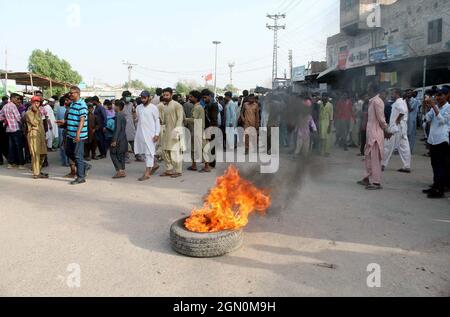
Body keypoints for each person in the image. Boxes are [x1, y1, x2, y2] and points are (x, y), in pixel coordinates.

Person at [358, 84, 392, 190]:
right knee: (368, 157)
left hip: (376, 134)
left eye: (368, 88)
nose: (367, 90)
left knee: (375, 159)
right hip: (370, 133)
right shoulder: (372, 101)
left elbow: (381, 119)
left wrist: (387, 130)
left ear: (372, 89)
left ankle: (376, 182)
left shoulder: (377, 101)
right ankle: (366, 178)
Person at [422, 88, 450, 199]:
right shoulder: (436, 107)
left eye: (440, 95)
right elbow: (427, 119)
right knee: (434, 165)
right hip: (433, 139)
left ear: (447, 95)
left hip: (442, 139)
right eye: (437, 95)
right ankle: (435, 186)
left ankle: (440, 190)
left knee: (441, 166)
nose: (438, 97)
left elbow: (443, 121)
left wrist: (434, 106)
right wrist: (426, 108)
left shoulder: (448, 107)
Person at [65, 86, 92, 185]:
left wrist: (78, 134)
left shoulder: (82, 105)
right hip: (70, 134)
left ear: (78, 93)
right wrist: (64, 122)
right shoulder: (72, 104)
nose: (70, 94)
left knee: (78, 155)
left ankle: (81, 177)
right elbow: (73, 118)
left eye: (72, 93)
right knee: (68, 152)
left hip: (78, 135)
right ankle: (84, 165)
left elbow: (82, 120)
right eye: (70, 93)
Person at [382, 88, 412, 173]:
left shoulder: (399, 101)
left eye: (393, 93)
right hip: (401, 127)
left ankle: (382, 164)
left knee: (388, 145)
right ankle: (407, 166)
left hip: (397, 127)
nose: (391, 95)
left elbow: (402, 112)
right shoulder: (401, 101)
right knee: (404, 146)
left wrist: (397, 121)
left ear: (397, 94)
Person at [134, 91, 161, 181]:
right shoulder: (138, 108)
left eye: (144, 97)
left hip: (151, 134)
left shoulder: (154, 108)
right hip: (141, 134)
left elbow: (157, 121)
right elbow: (138, 119)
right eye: (142, 97)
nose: (143, 99)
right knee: (145, 152)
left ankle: (147, 173)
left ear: (149, 97)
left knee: (149, 153)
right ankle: (154, 165)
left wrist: (157, 134)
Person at [160, 88, 184, 178]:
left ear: (171, 95)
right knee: (165, 151)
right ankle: (169, 169)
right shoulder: (165, 106)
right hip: (166, 132)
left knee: (175, 152)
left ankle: (178, 171)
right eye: (164, 95)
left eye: (167, 95)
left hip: (175, 131)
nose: (165, 97)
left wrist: (177, 131)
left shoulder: (177, 105)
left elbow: (180, 119)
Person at [25, 96, 48, 179]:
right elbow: (34, 123)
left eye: (38, 102)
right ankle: (36, 173)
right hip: (33, 134)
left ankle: (38, 170)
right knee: (35, 154)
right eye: (35, 102)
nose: (36, 104)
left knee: (43, 153)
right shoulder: (28, 113)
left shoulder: (38, 111)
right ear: (32, 103)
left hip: (40, 134)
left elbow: (41, 124)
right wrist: (36, 113)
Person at [0, 93, 25, 169]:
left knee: (11, 147)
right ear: (12, 98)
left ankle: (11, 163)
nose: (18, 100)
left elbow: (0, 116)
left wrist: (5, 120)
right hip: (15, 128)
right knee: (19, 146)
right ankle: (20, 164)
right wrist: (22, 125)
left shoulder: (5, 106)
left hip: (9, 129)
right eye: (17, 98)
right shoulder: (13, 106)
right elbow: (18, 118)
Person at [185, 90, 208, 172]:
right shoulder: (197, 106)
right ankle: (194, 165)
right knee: (193, 148)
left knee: (202, 148)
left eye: (191, 97)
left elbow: (194, 119)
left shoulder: (198, 107)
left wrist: (184, 119)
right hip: (195, 130)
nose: (189, 98)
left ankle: (206, 166)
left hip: (198, 130)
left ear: (196, 98)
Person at [110, 100, 128, 179]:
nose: (113, 107)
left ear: (118, 106)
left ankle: (120, 171)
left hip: (118, 138)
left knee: (113, 153)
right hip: (123, 137)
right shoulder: (123, 114)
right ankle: (122, 170)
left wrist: (114, 140)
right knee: (121, 155)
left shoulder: (118, 115)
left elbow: (117, 129)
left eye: (114, 105)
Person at [121, 91, 138, 162]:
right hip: (123, 125)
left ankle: (137, 155)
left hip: (131, 125)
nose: (128, 98)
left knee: (133, 141)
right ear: (123, 97)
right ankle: (126, 157)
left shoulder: (131, 104)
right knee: (124, 142)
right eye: (127, 96)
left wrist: (135, 120)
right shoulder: (120, 104)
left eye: (129, 96)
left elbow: (134, 113)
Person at [56, 95, 71, 167]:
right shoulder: (66, 110)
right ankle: (66, 161)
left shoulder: (58, 109)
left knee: (62, 145)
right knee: (65, 146)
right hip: (65, 128)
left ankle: (63, 161)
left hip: (60, 128)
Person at [319, 93, 334, 157]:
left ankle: (327, 152)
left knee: (327, 138)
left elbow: (331, 116)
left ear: (327, 97)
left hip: (327, 123)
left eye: (325, 96)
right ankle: (322, 151)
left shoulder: (330, 105)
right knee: (322, 138)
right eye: (323, 96)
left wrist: (330, 126)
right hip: (321, 122)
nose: (324, 98)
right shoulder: (320, 104)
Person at [406, 89, 420, 153]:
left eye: (409, 93)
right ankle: (405, 149)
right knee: (405, 134)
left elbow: (411, 109)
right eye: (407, 93)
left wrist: (407, 102)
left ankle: (410, 150)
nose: (408, 94)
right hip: (406, 120)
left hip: (412, 120)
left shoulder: (415, 101)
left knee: (411, 135)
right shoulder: (405, 100)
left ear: (412, 94)